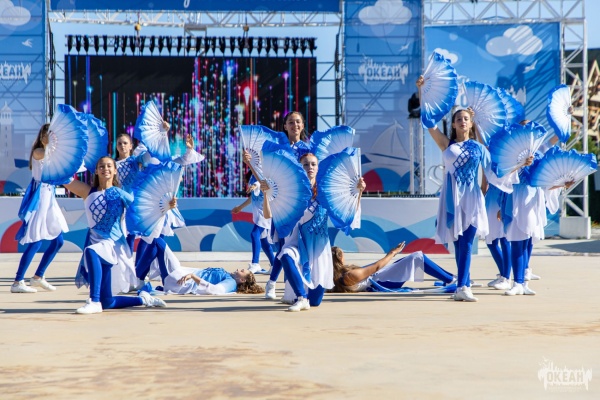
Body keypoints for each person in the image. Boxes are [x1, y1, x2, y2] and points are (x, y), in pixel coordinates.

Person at [416, 76, 520, 302]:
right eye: (458, 119)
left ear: (471, 123)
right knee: (458, 244)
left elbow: (494, 173)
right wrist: (422, 91)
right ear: (453, 124)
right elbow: (428, 122)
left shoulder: (479, 148)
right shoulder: (447, 144)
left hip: (472, 199)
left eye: (466, 119)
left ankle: (463, 286)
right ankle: (462, 284)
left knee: (467, 243)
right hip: (451, 199)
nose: (462, 121)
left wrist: (519, 165)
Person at [262, 152, 366, 311]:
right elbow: (268, 215)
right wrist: (266, 195)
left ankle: (304, 297)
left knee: (315, 302)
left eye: (313, 164)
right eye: (305, 164)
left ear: (318, 168)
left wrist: (359, 192)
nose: (309, 167)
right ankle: (301, 297)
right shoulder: (289, 191)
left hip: (318, 248)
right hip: (296, 241)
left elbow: (349, 214)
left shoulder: (327, 192)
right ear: (299, 167)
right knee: (285, 255)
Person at [64, 156, 166, 314]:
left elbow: (142, 210)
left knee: (91, 251)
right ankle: (144, 299)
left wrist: (165, 206)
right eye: (101, 166)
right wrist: (53, 156)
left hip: (113, 245)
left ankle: (94, 301)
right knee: (108, 302)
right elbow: (62, 178)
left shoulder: (120, 194)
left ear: (115, 170)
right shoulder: (87, 191)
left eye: (109, 166)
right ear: (96, 171)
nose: (105, 169)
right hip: (97, 243)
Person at [12, 124, 68, 293]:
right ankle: (18, 281)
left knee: (58, 241)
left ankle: (38, 276)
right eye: (49, 135)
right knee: (35, 241)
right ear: (43, 136)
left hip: (49, 199)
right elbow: (47, 156)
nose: (52, 138)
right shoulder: (38, 152)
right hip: (39, 200)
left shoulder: (54, 155)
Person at [330, 242, 455, 293]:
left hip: (379, 278)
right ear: (340, 258)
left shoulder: (336, 277)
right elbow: (376, 267)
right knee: (417, 257)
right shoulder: (349, 276)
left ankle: (450, 278)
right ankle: (451, 280)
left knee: (413, 259)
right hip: (381, 282)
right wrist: (392, 253)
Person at [231, 172, 275, 274]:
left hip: (265, 211)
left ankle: (255, 263)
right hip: (258, 212)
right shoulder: (252, 176)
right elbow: (253, 196)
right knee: (263, 241)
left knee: (255, 234)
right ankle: (274, 265)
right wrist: (240, 207)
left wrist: (255, 185)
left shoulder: (262, 171)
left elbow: (261, 182)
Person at [161, 265, 264, 295]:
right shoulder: (229, 276)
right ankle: (147, 284)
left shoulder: (231, 283)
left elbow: (215, 290)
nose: (238, 269)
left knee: (158, 242)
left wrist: (192, 276)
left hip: (180, 281)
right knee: (157, 244)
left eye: (241, 271)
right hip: (180, 275)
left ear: (242, 280)